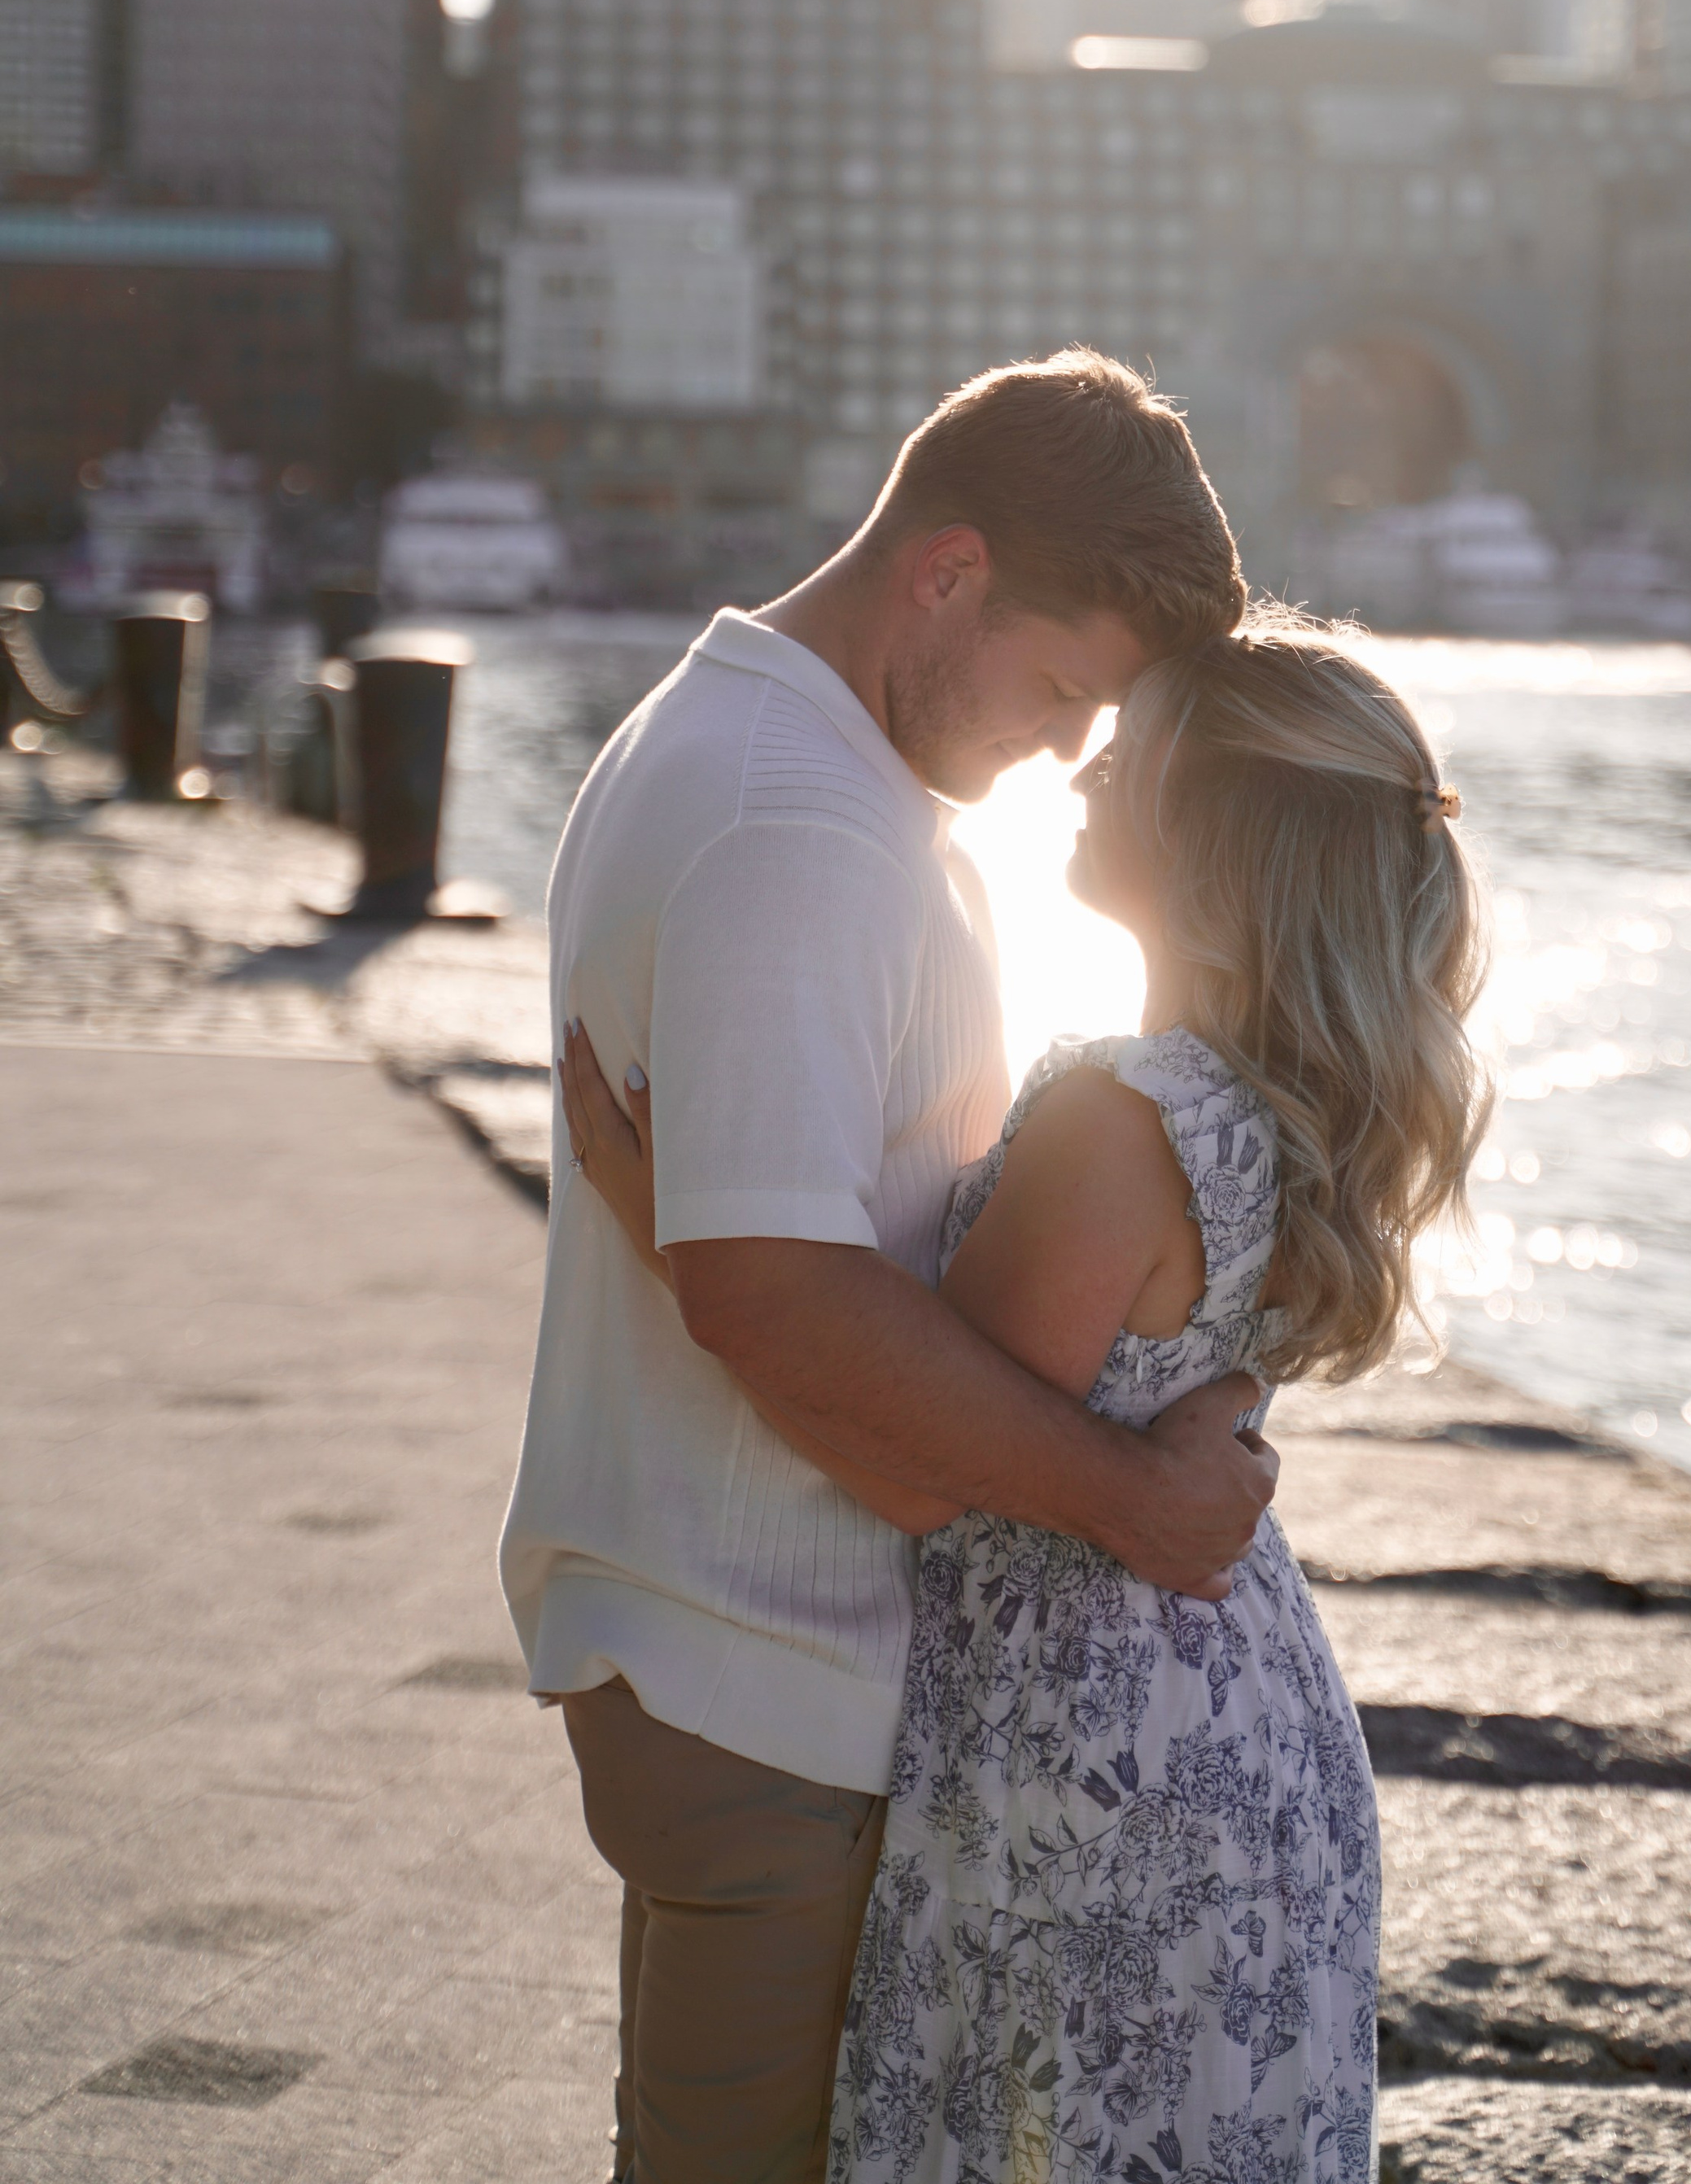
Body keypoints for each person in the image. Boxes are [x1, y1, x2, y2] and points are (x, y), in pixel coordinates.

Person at [566, 618, 1490, 2181]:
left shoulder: (1124, 1121)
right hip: (1230, 1711)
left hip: (1097, 1737)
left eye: (1139, 756)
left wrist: (692, 1237)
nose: (1087, 767)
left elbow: (913, 1451)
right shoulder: (1269, 1107)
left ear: (1219, 832)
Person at [499, 352, 1271, 2184]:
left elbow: (770, 1249)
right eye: (1057, 684)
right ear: (946, 570)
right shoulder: (799, 819)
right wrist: (1136, 1499)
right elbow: (774, 1291)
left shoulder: (773, 749)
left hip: (731, 1651)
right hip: (772, 1668)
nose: (1063, 747)